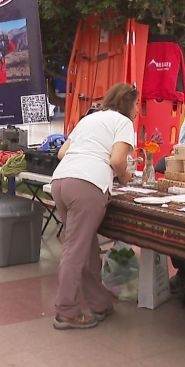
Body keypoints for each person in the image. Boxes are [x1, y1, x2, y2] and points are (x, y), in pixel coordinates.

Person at [50, 83, 137, 330]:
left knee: (85, 247)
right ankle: (66, 310)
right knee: (76, 250)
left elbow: (62, 153)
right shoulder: (123, 123)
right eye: (137, 104)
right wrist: (125, 177)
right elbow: (117, 160)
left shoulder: (89, 119)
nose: (137, 109)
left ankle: (99, 303)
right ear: (128, 104)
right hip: (87, 185)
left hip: (61, 181)